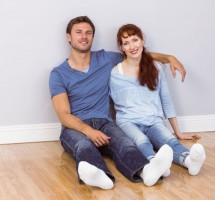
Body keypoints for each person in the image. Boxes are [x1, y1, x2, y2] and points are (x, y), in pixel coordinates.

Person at [49, 16, 187, 189]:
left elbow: (137, 54)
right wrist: (89, 131)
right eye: (78, 32)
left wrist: (169, 58)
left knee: (125, 143)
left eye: (88, 33)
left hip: (105, 123)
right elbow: (64, 115)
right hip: (75, 127)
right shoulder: (58, 74)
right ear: (69, 37)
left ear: (92, 37)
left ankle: (146, 171)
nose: (84, 36)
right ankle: (99, 175)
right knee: (83, 146)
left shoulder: (105, 59)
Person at [109, 24, 206, 177]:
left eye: (135, 40)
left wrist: (178, 132)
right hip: (128, 122)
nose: (132, 46)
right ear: (121, 48)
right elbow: (115, 105)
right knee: (141, 141)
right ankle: (154, 165)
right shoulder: (116, 73)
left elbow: (166, 100)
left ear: (142, 41)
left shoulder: (156, 67)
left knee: (168, 140)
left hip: (153, 120)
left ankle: (189, 161)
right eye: (126, 43)